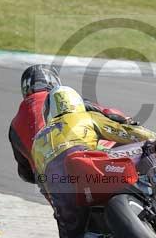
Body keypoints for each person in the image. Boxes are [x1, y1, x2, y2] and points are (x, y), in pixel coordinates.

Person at [30, 85, 156, 238]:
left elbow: (42, 183)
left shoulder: (36, 142)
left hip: (63, 191)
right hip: (90, 166)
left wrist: (60, 211)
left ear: (49, 111)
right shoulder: (84, 116)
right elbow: (127, 133)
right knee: (151, 146)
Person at [9, 64, 137, 186]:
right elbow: (110, 114)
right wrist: (127, 121)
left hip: (53, 180)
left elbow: (26, 174)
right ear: (54, 83)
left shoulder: (14, 126)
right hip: (91, 157)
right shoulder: (64, 99)